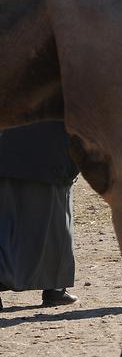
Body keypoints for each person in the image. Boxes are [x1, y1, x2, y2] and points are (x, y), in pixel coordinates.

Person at [0, 122, 79, 310]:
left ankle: (56, 288)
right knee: (54, 224)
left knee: (4, 221)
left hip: (7, 147)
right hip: (48, 151)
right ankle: (55, 288)